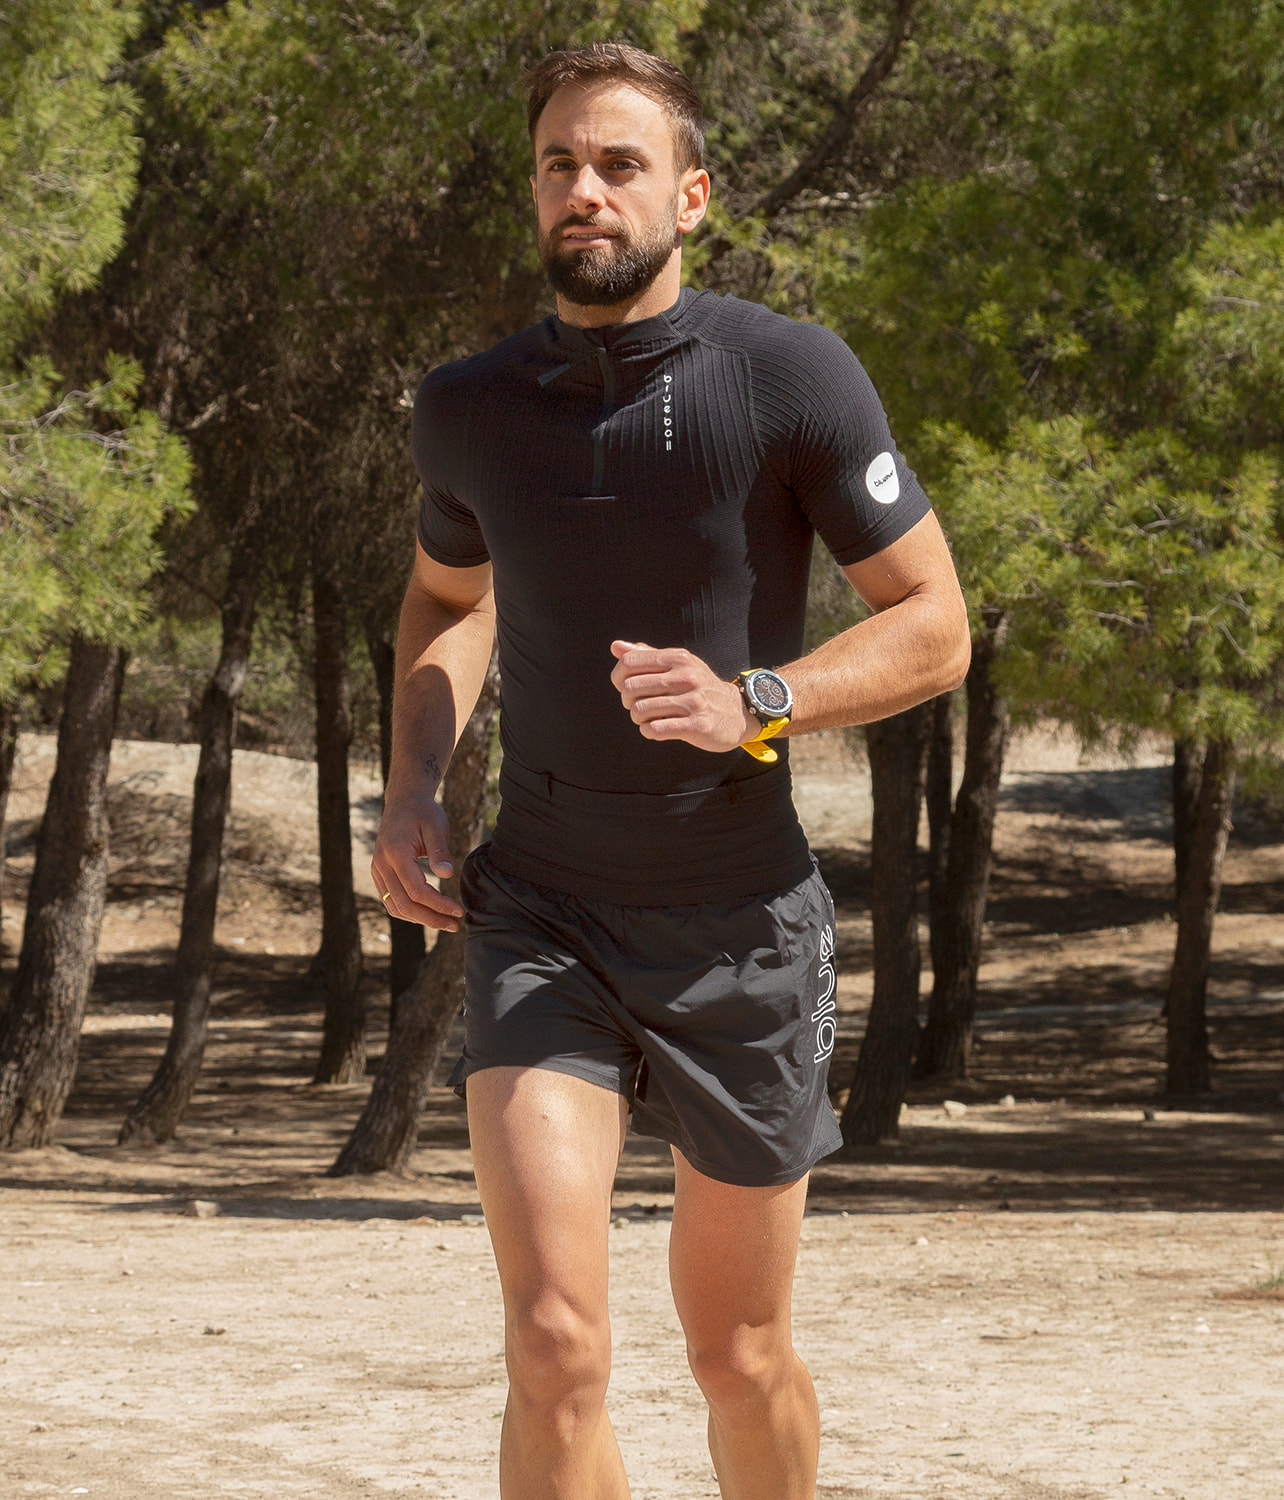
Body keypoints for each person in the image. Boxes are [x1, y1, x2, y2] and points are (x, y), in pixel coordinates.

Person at [371, 41, 970, 1500]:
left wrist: (758, 700)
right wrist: (415, 784)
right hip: (544, 912)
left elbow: (935, 626)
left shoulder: (787, 377)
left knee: (740, 1354)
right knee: (553, 1346)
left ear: (690, 196)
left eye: (619, 164)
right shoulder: (469, 408)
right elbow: (447, 599)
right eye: (559, 164)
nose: (584, 189)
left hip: (742, 926)